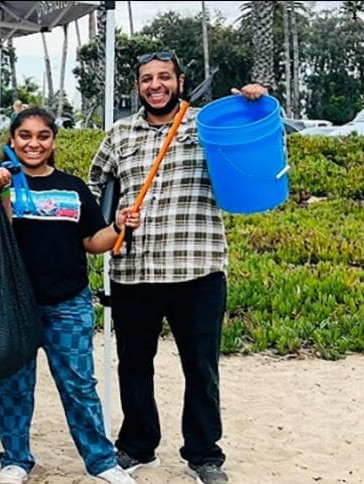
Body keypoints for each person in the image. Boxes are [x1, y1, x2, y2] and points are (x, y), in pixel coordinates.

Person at [87, 51, 268, 484]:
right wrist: (111, 223)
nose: (155, 85)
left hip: (197, 268)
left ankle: (204, 453)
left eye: (164, 77)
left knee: (201, 368)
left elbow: (254, 143)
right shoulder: (120, 134)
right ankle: (136, 445)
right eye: (147, 78)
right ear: (138, 87)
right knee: (133, 365)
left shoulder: (205, 126)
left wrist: (253, 102)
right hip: (134, 271)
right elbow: (94, 188)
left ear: (179, 82)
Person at [0, 108, 140, 484]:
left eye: (42, 136)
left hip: (69, 302)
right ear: (12, 140)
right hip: (14, 305)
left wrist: (118, 226)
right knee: (14, 386)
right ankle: (15, 460)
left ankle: (101, 462)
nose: (33, 143)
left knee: (79, 385)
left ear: (53, 140)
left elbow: (93, 242)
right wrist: (1, 189)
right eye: (24, 136)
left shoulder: (73, 187)